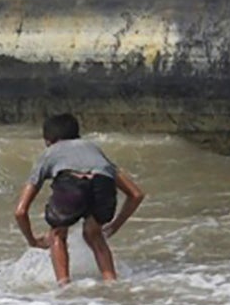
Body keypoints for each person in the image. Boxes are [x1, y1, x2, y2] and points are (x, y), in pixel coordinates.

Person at [13, 112, 145, 286]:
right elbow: (136, 194)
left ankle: (64, 287)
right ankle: (112, 283)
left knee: (57, 235)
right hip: (102, 184)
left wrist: (33, 241)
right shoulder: (93, 149)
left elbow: (20, 211)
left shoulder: (49, 153)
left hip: (71, 185)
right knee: (94, 234)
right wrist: (114, 226)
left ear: (47, 140)